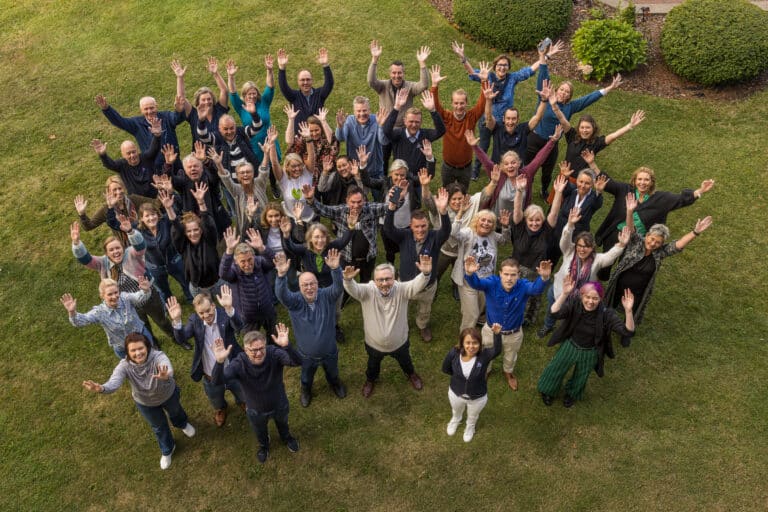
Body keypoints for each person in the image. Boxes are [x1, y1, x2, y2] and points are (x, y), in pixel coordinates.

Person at [603, 194, 713, 345]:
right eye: (652, 239)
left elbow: (678, 245)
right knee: (609, 304)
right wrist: (629, 211)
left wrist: (695, 232)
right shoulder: (636, 242)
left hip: (639, 290)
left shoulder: (660, 253)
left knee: (634, 311)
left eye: (658, 242)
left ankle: (627, 333)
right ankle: (604, 324)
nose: (653, 243)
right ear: (647, 235)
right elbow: (630, 229)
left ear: (661, 244)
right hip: (619, 283)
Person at [82, 332, 196, 470]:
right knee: (159, 427)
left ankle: (182, 424)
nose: (138, 353)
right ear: (128, 352)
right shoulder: (124, 366)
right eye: (133, 350)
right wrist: (101, 388)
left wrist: (166, 376)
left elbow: (167, 367)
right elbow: (114, 382)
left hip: (168, 395)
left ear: (147, 347)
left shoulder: (158, 356)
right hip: (146, 403)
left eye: (140, 348)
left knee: (176, 411)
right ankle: (168, 449)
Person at [451, 40, 563, 179]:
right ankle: (476, 170)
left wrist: (546, 56)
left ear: (508, 67)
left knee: (502, 148)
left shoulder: (512, 78)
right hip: (488, 119)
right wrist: (463, 58)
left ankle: (501, 170)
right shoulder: (488, 76)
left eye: (505, 65)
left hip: (504, 124)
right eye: (499, 65)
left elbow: (530, 70)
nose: (502, 68)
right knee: (483, 145)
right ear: (495, 66)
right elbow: (472, 72)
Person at [593, 167, 714, 279]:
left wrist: (701, 190)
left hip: (636, 241)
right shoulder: (625, 190)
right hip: (615, 235)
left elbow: (680, 200)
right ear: (634, 181)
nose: (642, 182)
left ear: (651, 182)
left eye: (646, 180)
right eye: (639, 179)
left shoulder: (661, 199)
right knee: (605, 264)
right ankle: (596, 288)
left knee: (625, 270)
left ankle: (616, 290)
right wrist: (592, 163)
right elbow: (606, 182)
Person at [70, 218, 176, 342]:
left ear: (123, 248)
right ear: (106, 253)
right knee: (142, 324)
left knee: (162, 320)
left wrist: (131, 231)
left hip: (149, 295)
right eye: (111, 250)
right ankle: (152, 343)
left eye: (118, 248)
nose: (116, 252)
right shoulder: (102, 263)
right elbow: (85, 259)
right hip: (128, 302)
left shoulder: (131, 253)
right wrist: (77, 243)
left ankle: (175, 336)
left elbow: (141, 247)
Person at [526, 64, 623, 198]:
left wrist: (609, 88)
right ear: (556, 90)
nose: (563, 93)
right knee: (526, 166)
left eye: (567, 92)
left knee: (547, 171)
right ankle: (523, 187)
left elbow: (589, 99)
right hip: (534, 139)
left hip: (551, 143)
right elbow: (543, 79)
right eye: (562, 89)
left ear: (569, 96)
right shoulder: (545, 98)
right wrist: (543, 60)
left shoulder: (570, 107)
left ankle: (544, 189)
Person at [343, 255, 433, 398]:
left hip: (400, 343)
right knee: (372, 365)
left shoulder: (402, 289)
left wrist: (426, 274)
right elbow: (354, 289)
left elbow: (417, 284)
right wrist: (348, 280)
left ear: (395, 279)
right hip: (374, 345)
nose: (384, 283)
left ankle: (411, 374)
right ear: (374, 280)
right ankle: (370, 380)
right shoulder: (367, 291)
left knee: (406, 361)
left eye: (388, 279)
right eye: (380, 280)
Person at [212, 325, 302, 464]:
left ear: (266, 346)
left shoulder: (273, 353)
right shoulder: (239, 363)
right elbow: (218, 381)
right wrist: (219, 362)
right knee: (260, 431)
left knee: (283, 424)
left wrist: (287, 346)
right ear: (245, 350)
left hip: (279, 403)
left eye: (261, 348)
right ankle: (264, 446)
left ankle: (286, 438)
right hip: (255, 410)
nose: (259, 353)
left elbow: (297, 362)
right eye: (254, 350)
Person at [538, 279, 635, 407]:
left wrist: (628, 311)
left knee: (581, 377)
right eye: (587, 297)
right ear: (582, 296)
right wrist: (565, 294)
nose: (590, 302)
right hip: (571, 346)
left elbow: (628, 332)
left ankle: (571, 395)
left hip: (590, 352)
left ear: (601, 298)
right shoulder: (575, 304)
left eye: (595, 298)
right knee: (556, 368)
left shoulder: (607, 314)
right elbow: (554, 313)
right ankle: (548, 391)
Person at [464, 256, 552, 391]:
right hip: (490, 331)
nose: (509, 278)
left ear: (518, 275)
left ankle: (508, 372)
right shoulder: (492, 283)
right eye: (506, 274)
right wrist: (470, 273)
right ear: (500, 274)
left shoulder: (523, 285)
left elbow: (536, 289)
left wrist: (544, 278)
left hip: (514, 333)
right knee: (487, 353)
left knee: (511, 356)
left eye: (513, 275)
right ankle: (486, 371)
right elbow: (476, 284)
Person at [539, 208, 628, 339]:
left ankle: (564, 332)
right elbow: (564, 240)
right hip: (557, 291)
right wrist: (570, 225)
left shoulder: (597, 259)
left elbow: (610, 257)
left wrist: (621, 245)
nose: (582, 249)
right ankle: (547, 325)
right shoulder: (569, 252)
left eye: (586, 246)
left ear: (592, 248)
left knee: (568, 317)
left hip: (578, 300)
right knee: (552, 309)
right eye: (579, 245)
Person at [275, 249, 347, 407]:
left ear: (317, 284)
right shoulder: (294, 302)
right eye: (304, 285)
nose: (309, 288)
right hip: (306, 355)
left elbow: (338, 288)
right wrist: (281, 277)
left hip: (330, 352)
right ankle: (306, 390)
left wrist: (335, 269)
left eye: (312, 284)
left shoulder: (326, 296)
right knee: (306, 377)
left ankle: (335, 384)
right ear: (299, 287)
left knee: (333, 373)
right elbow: (281, 295)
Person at [167, 285, 246, 427]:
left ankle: (242, 402)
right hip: (210, 374)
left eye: (208, 310)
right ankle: (221, 409)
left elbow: (239, 326)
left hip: (232, 368)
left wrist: (229, 309)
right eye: (201, 313)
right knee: (216, 398)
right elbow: (182, 338)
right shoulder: (194, 321)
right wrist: (177, 321)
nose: (206, 315)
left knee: (241, 391)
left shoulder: (224, 314)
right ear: (197, 313)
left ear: (214, 306)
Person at [384, 185, 450, 342]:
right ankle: (400, 325)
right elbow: (388, 229)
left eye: (423, 226)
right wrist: (392, 207)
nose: (420, 230)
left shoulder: (435, 237)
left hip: (427, 286)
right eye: (416, 227)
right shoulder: (404, 236)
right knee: (401, 307)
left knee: (425, 309)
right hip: (405, 284)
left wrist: (443, 212)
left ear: (428, 225)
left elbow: (446, 231)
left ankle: (422, 325)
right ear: (410, 227)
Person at [510, 174, 566, 326]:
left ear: (542, 220)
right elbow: (516, 211)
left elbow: (553, 213)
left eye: (538, 220)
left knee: (533, 298)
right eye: (531, 220)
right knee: (513, 296)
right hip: (516, 270)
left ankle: (527, 319)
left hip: (536, 272)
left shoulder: (546, 232)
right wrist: (520, 191)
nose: (534, 223)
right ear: (526, 220)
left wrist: (558, 192)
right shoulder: (519, 228)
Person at [305, 184, 389, 284]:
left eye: (359, 202)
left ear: (364, 200)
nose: (356, 205)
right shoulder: (341, 211)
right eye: (353, 202)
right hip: (347, 258)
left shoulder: (371, 209)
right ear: (347, 201)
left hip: (368, 257)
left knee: (365, 283)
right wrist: (311, 200)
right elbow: (323, 210)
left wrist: (399, 198)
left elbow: (390, 207)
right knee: (344, 283)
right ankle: (343, 298)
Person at [226, 54, 282, 197]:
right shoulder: (241, 107)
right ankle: (259, 188)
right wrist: (231, 76)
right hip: (253, 143)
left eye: (253, 93)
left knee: (272, 165)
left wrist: (269, 70)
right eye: (248, 94)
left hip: (269, 140)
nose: (251, 96)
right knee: (258, 167)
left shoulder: (263, 102)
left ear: (257, 94)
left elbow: (270, 86)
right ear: (244, 96)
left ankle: (274, 185)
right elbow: (232, 92)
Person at [367, 41, 431, 165]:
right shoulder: (383, 86)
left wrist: (422, 64)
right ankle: (383, 180)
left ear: (403, 73)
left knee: (401, 160)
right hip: (386, 128)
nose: (397, 76)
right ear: (390, 73)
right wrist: (374, 59)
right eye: (394, 73)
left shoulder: (410, 87)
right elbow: (371, 81)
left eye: (399, 73)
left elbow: (423, 85)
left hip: (403, 130)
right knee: (383, 159)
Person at [429, 63, 490, 189]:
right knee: (446, 193)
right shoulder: (446, 117)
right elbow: (435, 106)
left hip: (466, 167)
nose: (459, 106)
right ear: (452, 104)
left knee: (462, 194)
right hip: (448, 166)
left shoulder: (471, 117)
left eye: (462, 103)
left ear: (466, 103)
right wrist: (434, 86)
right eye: (456, 103)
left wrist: (484, 81)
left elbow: (482, 103)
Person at [61, 277, 154, 358]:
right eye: (110, 294)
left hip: (142, 338)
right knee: (137, 371)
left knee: (152, 359)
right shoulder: (100, 312)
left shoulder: (126, 298)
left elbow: (140, 297)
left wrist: (145, 290)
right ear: (102, 296)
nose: (114, 296)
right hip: (123, 348)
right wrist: (72, 312)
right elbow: (80, 321)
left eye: (116, 292)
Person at [451, 208, 511, 331]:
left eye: (489, 221)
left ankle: (474, 315)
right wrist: (460, 214)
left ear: (493, 225)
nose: (485, 223)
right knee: (472, 314)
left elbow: (505, 241)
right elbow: (453, 234)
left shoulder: (493, 236)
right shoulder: (468, 233)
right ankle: (465, 338)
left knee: (480, 306)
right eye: (482, 220)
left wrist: (505, 227)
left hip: (486, 280)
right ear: (476, 221)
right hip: (469, 278)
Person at [442, 323, 502, 442]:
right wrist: (459, 379)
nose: (471, 346)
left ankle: (470, 427)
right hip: (455, 393)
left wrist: (497, 334)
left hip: (477, 397)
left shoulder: (484, 356)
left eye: (475, 343)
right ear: (462, 343)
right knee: (456, 410)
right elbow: (445, 368)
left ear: (480, 344)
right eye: (468, 343)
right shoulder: (454, 353)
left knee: (473, 415)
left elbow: (497, 350)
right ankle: (456, 420)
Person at [163, 182, 223, 298]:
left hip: (217, 284)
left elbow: (207, 221)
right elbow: (176, 227)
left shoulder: (209, 239)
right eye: (189, 231)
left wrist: (201, 202)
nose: (193, 233)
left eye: (196, 230)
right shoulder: (183, 246)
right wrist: (169, 208)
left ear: (201, 230)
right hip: (198, 288)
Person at [94, 94, 185, 168]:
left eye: (151, 108)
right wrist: (106, 109)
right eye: (146, 109)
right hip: (153, 167)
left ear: (156, 106)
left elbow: (178, 118)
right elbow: (119, 121)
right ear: (141, 110)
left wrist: (179, 110)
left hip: (175, 161)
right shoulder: (136, 124)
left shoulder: (167, 116)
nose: (149, 111)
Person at [219, 226, 276, 337]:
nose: (247, 264)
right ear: (235, 261)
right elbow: (223, 274)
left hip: (267, 310)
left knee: (273, 335)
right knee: (252, 340)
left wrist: (262, 248)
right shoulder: (234, 272)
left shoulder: (259, 263)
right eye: (243, 261)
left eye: (250, 259)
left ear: (254, 257)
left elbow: (273, 261)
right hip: (248, 317)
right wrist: (229, 251)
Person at [90, 116, 163, 198]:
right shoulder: (122, 165)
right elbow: (110, 164)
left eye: (133, 152)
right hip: (138, 203)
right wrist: (103, 154)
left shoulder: (146, 157)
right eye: (128, 153)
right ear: (123, 155)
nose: (132, 155)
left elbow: (154, 149)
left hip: (155, 198)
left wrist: (157, 135)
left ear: (137, 150)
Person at [136, 201, 194, 304]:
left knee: (185, 282)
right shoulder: (139, 231)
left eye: (153, 214)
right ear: (141, 219)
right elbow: (117, 225)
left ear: (157, 214)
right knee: (163, 290)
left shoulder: (165, 221)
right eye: (147, 216)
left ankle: (191, 298)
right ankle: (170, 304)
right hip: (155, 267)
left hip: (174, 261)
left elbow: (176, 213)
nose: (151, 218)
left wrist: (169, 206)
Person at [381, 88, 445, 179]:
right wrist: (396, 108)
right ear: (405, 121)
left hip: (419, 181)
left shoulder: (426, 135)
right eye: (411, 121)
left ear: (421, 122)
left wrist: (433, 111)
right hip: (400, 179)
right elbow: (386, 131)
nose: (414, 125)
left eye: (417, 122)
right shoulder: (398, 134)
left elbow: (441, 131)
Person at [74, 175, 156, 247]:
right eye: (114, 190)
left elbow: (156, 204)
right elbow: (89, 226)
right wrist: (82, 214)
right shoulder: (107, 209)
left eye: (120, 188)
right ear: (108, 192)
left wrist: (165, 190)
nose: (118, 192)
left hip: (144, 240)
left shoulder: (134, 199)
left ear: (124, 188)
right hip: (125, 247)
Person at [560, 110, 645, 173]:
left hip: (580, 182)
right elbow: (562, 120)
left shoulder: (596, 143)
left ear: (593, 129)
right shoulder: (572, 136)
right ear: (578, 128)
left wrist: (629, 126)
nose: (584, 130)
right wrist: (554, 106)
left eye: (588, 127)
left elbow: (613, 136)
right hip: (563, 176)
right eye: (582, 127)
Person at [172, 57, 230, 146]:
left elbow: (224, 91)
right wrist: (180, 77)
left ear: (213, 100)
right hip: (200, 156)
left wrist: (215, 73)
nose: (206, 102)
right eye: (203, 100)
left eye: (209, 99)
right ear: (198, 102)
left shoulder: (219, 109)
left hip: (222, 154)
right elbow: (181, 99)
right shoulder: (193, 114)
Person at [277, 47, 334, 131]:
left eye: (308, 79)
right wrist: (282, 68)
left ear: (312, 80)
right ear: (298, 82)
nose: (305, 82)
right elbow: (283, 86)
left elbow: (329, 84)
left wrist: (325, 65)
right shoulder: (294, 97)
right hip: (300, 139)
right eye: (302, 80)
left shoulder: (320, 94)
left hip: (318, 137)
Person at [335, 96, 385, 185]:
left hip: (375, 170)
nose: (362, 114)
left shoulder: (377, 119)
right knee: (357, 198)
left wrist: (381, 126)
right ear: (354, 112)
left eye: (364, 110)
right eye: (358, 111)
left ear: (369, 110)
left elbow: (383, 141)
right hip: (356, 171)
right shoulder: (349, 120)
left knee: (380, 198)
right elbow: (340, 138)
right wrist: (340, 127)